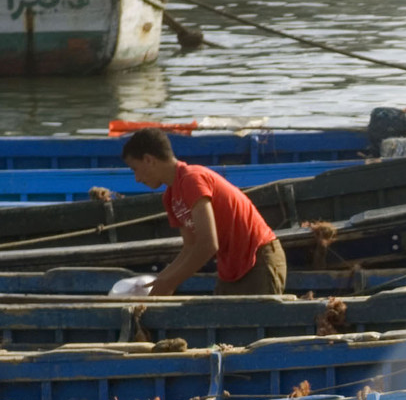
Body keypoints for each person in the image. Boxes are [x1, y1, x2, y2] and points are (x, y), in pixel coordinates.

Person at [121, 125, 288, 297]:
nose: (137, 178)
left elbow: (208, 245)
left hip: (258, 259)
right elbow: (190, 246)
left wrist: (169, 282)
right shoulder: (170, 197)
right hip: (230, 267)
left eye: (135, 169)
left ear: (149, 160)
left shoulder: (192, 179)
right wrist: (162, 279)